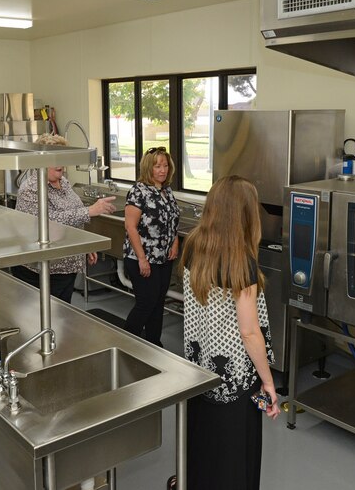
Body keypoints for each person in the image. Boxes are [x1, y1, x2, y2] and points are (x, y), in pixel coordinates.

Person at [180, 175, 280, 490]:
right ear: (246, 215)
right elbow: (249, 333)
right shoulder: (242, 263)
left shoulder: (194, 244)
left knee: (203, 452)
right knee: (234, 460)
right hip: (236, 383)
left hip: (198, 374)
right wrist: (268, 382)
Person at [12, 134, 116, 303]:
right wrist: (89, 211)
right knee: (42, 320)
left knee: (61, 317)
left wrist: (83, 243)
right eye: (55, 158)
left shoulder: (64, 183)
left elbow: (73, 216)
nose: (60, 163)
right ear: (40, 160)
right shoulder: (30, 189)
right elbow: (45, 223)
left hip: (66, 268)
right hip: (41, 271)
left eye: (62, 156)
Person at [123, 146, 180, 345]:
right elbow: (130, 227)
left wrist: (175, 242)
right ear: (149, 168)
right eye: (157, 166)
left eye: (165, 165)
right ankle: (127, 343)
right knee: (146, 303)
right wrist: (142, 259)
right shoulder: (139, 191)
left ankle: (154, 345)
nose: (162, 170)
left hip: (164, 258)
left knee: (158, 303)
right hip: (142, 258)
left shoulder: (166, 190)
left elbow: (171, 219)